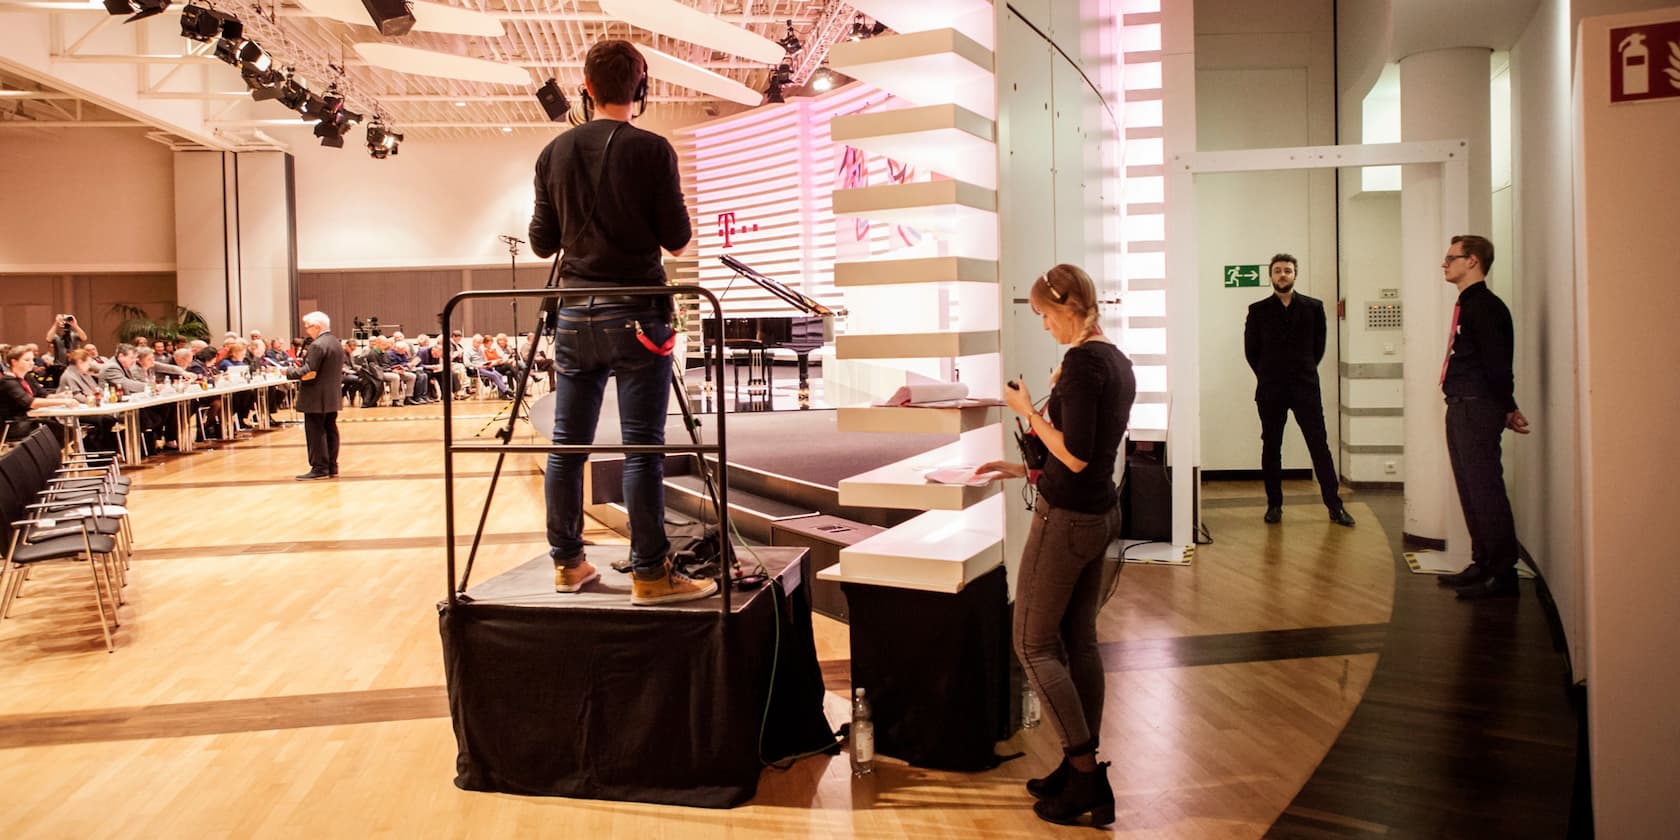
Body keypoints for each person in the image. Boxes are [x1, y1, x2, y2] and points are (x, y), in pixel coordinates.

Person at [529, 38, 707, 605]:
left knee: (567, 446)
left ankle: (569, 564)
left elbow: (540, 243)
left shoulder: (552, 153)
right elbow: (676, 238)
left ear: (585, 88)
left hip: (575, 318)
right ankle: (651, 575)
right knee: (642, 448)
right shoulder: (653, 150)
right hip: (637, 318)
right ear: (642, 89)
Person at [976, 265, 1133, 827]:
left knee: (1032, 644)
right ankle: (1077, 769)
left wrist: (1027, 415)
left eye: (1044, 316)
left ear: (1066, 310)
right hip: (1098, 514)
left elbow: (1076, 455)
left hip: (1067, 522)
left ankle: (1086, 773)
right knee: (1078, 642)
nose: (1043, 326)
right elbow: (1086, 460)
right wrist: (1017, 468)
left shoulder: (1083, 364)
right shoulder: (1116, 359)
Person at [1435, 235, 1530, 600]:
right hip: (1462, 405)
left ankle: (1502, 572)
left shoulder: (1487, 307)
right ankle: (1483, 561)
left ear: (1472, 261)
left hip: (1477, 406)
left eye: (1451, 257)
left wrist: (1506, 405)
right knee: (1470, 487)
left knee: (1485, 489)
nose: (1445, 264)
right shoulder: (1469, 304)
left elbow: (1497, 363)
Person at [1243, 253, 1356, 527]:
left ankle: (1334, 506)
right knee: (1271, 447)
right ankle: (1274, 505)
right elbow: (1251, 351)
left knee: (1319, 447)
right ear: (1271, 276)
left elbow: (1319, 348)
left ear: (1295, 275)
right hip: (1271, 389)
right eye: (1278, 270)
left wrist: (1301, 371)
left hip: (1305, 387)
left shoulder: (1313, 308)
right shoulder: (1257, 310)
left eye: (1288, 270)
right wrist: (1269, 374)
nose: (1283, 275)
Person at [289, 311, 345, 480]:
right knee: (330, 429)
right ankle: (331, 465)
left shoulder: (318, 345)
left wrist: (288, 371)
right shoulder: (335, 342)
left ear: (317, 327)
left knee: (315, 431)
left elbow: (309, 371)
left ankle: (319, 467)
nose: (307, 331)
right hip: (331, 394)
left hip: (315, 395)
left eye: (308, 327)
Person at [1, 345, 78, 443]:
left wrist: (60, 396)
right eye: (27, 360)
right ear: (14, 362)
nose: (31, 363)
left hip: (29, 420)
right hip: (14, 424)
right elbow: (31, 403)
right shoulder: (8, 381)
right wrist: (64, 401)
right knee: (64, 433)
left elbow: (44, 395)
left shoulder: (27, 376)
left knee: (68, 432)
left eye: (32, 360)